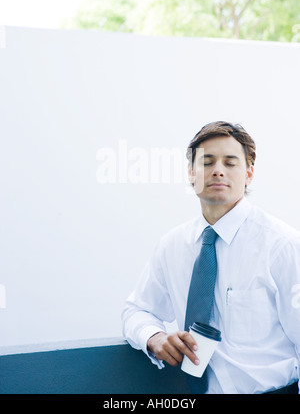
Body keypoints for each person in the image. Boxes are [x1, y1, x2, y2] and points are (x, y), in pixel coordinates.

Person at [121, 121, 300, 394]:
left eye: (230, 162)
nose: (217, 170)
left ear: (249, 174)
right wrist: (154, 337)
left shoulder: (282, 245)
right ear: (191, 174)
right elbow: (136, 311)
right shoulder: (172, 246)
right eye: (206, 162)